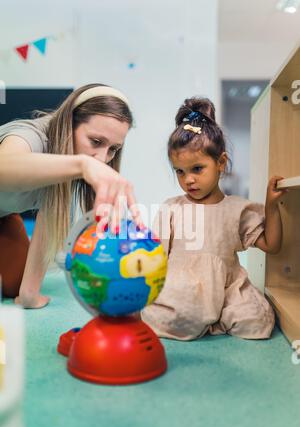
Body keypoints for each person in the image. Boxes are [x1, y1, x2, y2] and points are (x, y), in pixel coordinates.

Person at [141, 97, 287, 341]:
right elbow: (154, 257)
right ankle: (205, 318)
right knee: (181, 313)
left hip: (228, 286)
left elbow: (272, 245)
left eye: (197, 169)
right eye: (180, 171)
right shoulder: (171, 208)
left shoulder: (237, 209)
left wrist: (272, 206)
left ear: (220, 163)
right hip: (183, 287)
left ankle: (216, 316)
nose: (188, 180)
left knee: (259, 320)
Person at [0, 83, 142, 308]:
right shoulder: (29, 135)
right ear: (70, 123)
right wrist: (82, 164)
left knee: (14, 285)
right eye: (96, 142)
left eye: (113, 148)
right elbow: (3, 168)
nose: (103, 158)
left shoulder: (71, 154)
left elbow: (50, 213)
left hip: (4, 218)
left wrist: (29, 293)